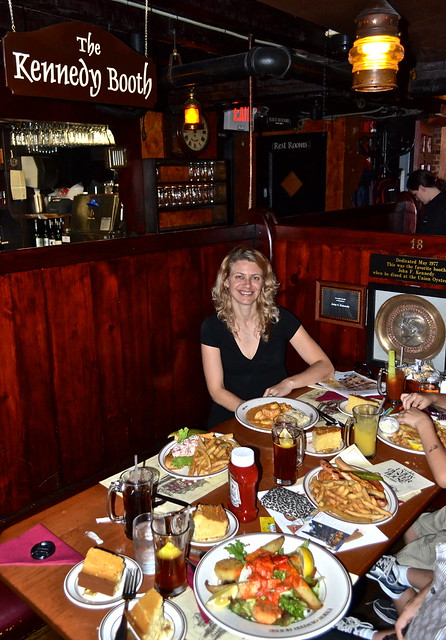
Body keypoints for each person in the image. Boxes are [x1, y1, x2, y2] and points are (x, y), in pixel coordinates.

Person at [200, 245, 334, 428]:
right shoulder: (212, 326)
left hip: (279, 420)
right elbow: (216, 391)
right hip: (231, 419)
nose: (247, 285)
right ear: (226, 281)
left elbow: (326, 367)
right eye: (239, 276)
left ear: (264, 283)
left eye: (255, 278)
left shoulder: (281, 319)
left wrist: (289, 383)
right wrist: (252, 414)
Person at [407, 169, 446, 235]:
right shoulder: (436, 204)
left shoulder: (439, 207)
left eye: (415, 194)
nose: (417, 198)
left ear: (421, 188)